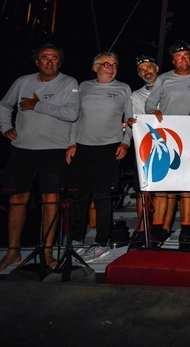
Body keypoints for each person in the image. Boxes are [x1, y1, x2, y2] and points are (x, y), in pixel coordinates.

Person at [0, 44, 80, 272]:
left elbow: (72, 113)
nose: (49, 62)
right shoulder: (23, 82)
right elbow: (4, 106)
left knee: (50, 201)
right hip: (22, 149)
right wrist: (5, 128)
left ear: (60, 62)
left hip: (53, 150)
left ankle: (47, 252)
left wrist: (38, 105)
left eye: (54, 58)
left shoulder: (68, 83)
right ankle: (13, 252)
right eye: (45, 58)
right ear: (37, 61)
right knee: (17, 200)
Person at [66, 52, 133, 262]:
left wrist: (126, 141)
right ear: (94, 67)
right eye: (106, 64)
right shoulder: (82, 87)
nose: (110, 67)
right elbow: (74, 118)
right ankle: (75, 240)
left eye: (114, 64)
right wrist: (71, 143)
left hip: (110, 147)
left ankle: (102, 242)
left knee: (103, 196)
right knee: (80, 196)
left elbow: (130, 119)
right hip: (83, 147)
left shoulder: (123, 88)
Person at [144, 40, 190, 249]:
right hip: (167, 139)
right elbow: (150, 103)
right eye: (179, 56)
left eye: (186, 55)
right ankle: (157, 231)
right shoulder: (164, 79)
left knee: (187, 189)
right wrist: (153, 112)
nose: (183, 59)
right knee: (163, 186)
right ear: (172, 60)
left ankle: (185, 233)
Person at [127, 55, 160, 223]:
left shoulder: (169, 89)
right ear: (139, 75)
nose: (146, 72)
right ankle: (142, 228)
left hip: (171, 146)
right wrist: (130, 122)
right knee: (142, 189)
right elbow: (132, 120)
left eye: (149, 67)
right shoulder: (135, 96)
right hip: (144, 148)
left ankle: (161, 227)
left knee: (165, 190)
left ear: (157, 69)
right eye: (142, 70)